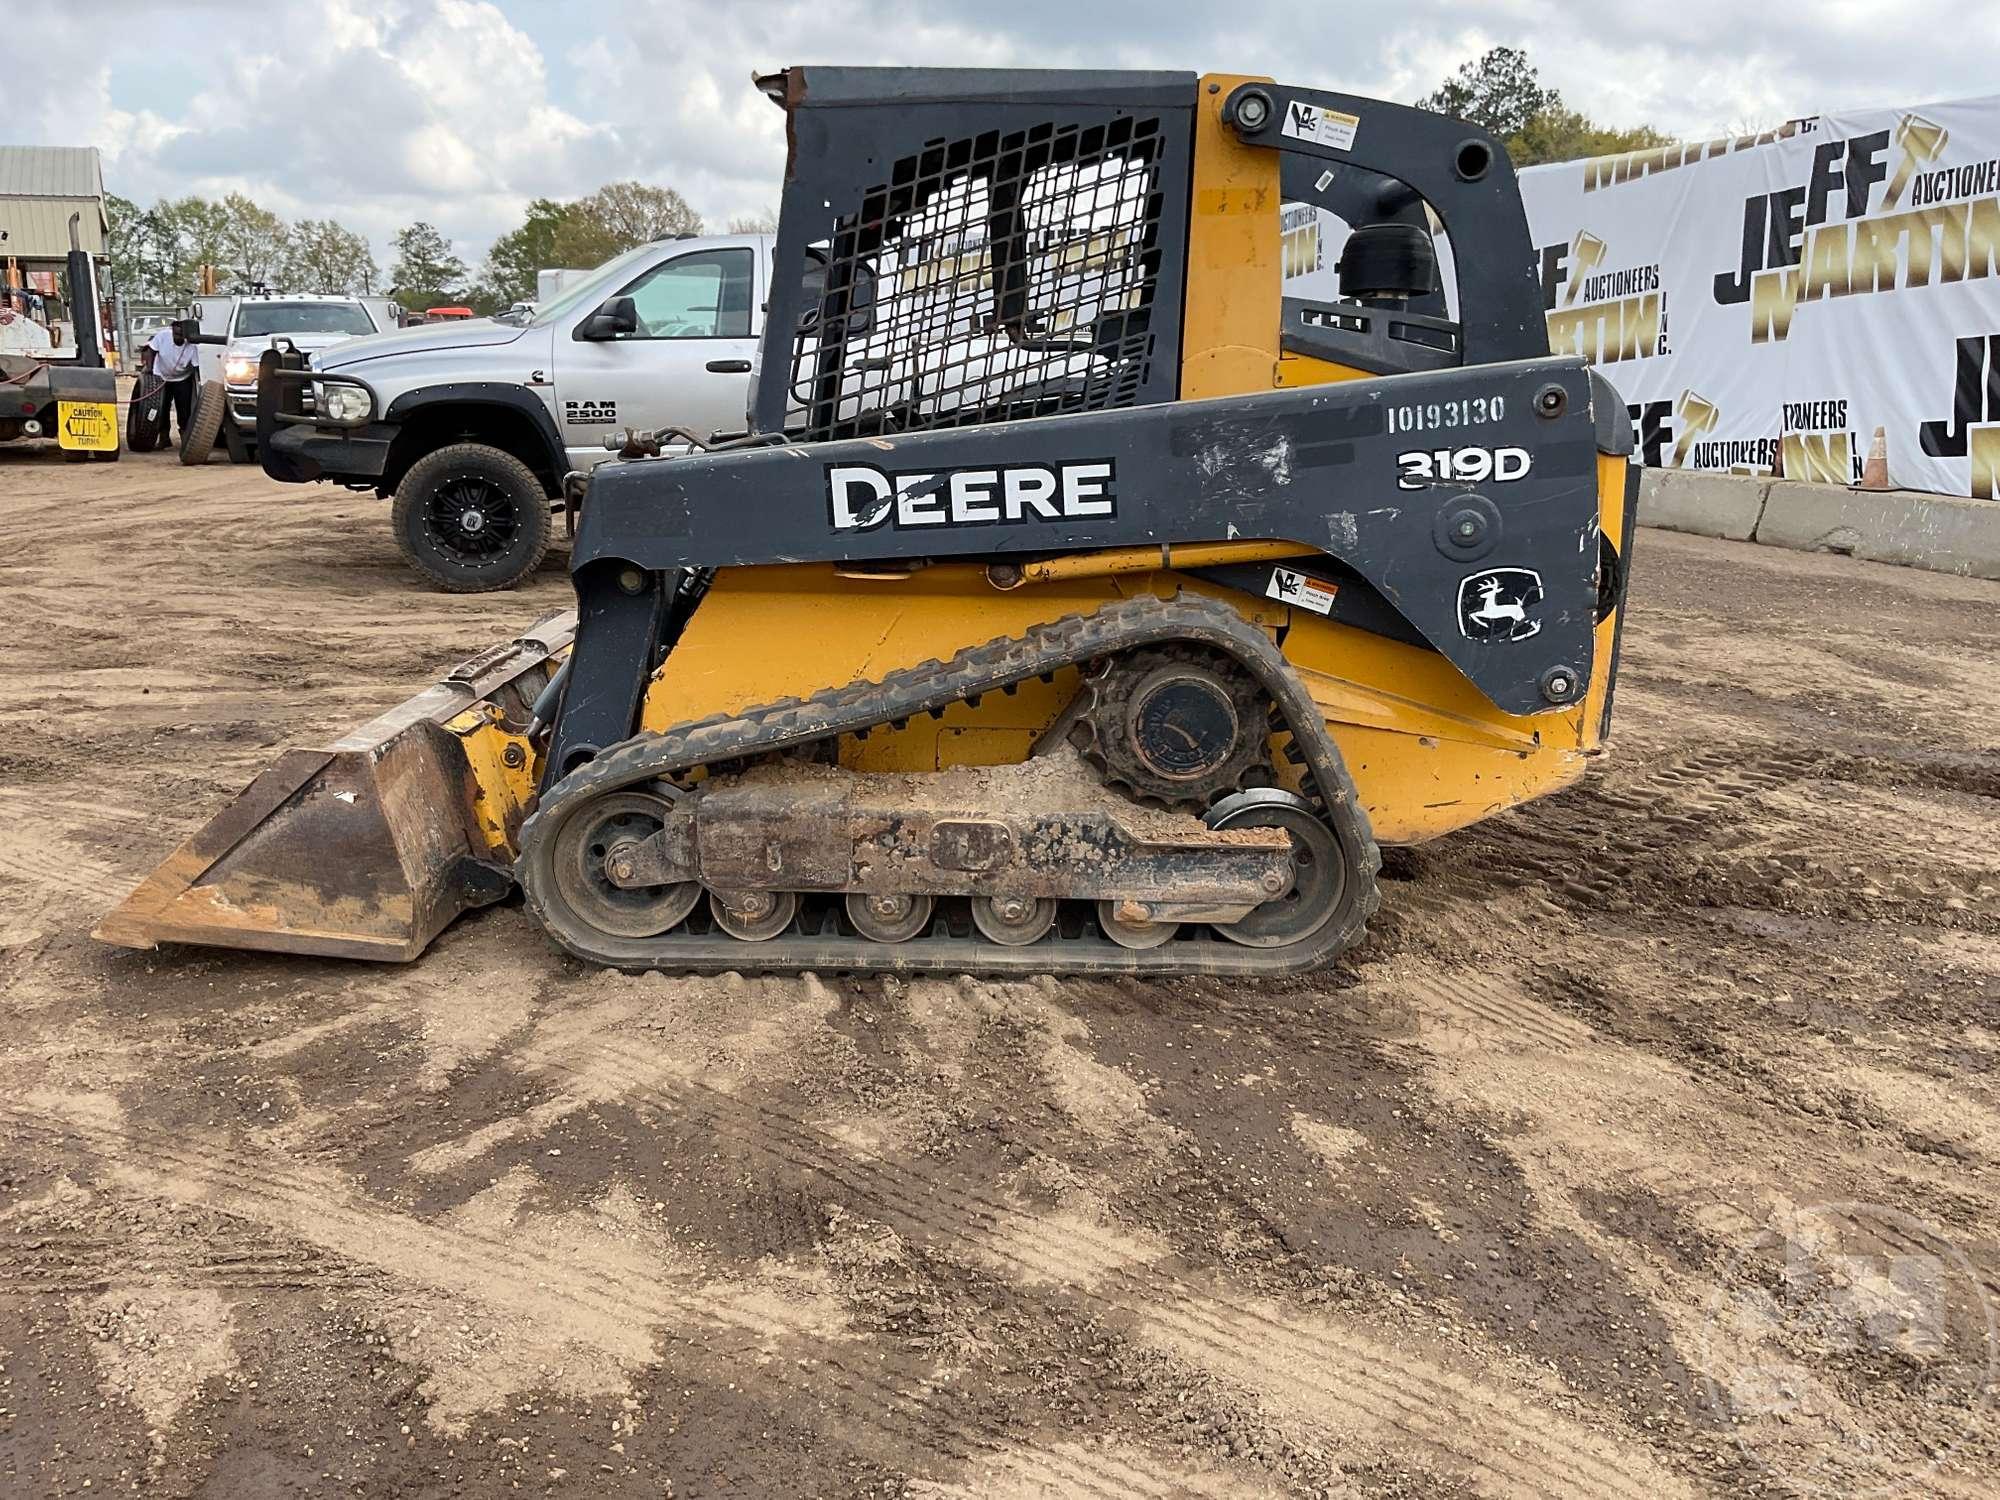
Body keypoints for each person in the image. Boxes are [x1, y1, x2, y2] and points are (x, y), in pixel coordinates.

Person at [141, 319, 201, 446]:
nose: (177, 338)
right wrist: (150, 370)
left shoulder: (192, 346)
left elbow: (196, 367)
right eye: (175, 334)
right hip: (161, 377)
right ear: (172, 331)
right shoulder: (163, 336)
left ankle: (185, 438)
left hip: (182, 379)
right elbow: (151, 350)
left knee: (184, 410)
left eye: (180, 336)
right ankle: (164, 438)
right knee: (161, 408)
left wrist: (199, 384)